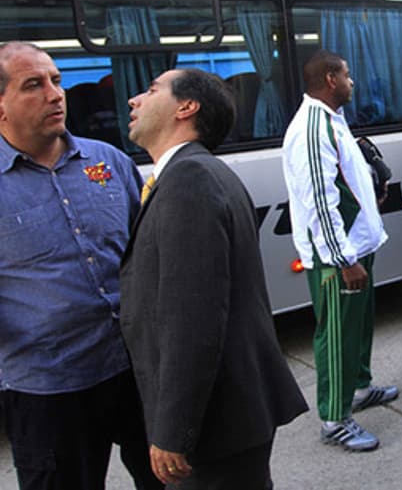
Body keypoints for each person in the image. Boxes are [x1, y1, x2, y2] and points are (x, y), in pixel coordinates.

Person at [120, 69, 307, 489]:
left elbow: (192, 320)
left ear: (186, 108)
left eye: (151, 91)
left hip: (215, 425)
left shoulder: (189, 180)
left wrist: (173, 430)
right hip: (226, 416)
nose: (134, 100)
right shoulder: (195, 174)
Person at [0, 42, 161, 490]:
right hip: (49, 390)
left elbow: (147, 254)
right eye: (33, 84)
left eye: (56, 80)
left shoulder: (107, 161)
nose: (55, 94)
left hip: (135, 371)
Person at [281, 50, 398, 452]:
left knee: (358, 324)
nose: (353, 82)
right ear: (331, 79)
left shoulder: (332, 119)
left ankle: (360, 388)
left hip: (358, 243)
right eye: (348, 75)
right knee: (335, 335)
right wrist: (343, 258)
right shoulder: (313, 127)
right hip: (338, 256)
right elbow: (319, 199)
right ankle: (334, 419)